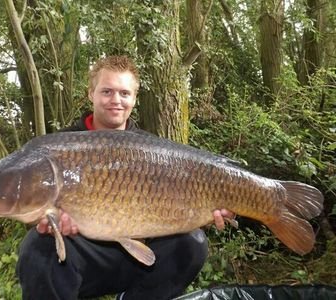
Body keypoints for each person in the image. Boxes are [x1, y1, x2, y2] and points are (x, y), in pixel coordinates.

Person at [16, 55, 235, 300]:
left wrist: (207, 209)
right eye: (107, 91)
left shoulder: (150, 150)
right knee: (36, 247)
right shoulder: (63, 147)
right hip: (82, 259)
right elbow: (30, 203)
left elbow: (180, 207)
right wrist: (49, 224)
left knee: (192, 243)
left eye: (124, 93)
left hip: (140, 258)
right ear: (91, 94)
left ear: (134, 98)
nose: (116, 100)